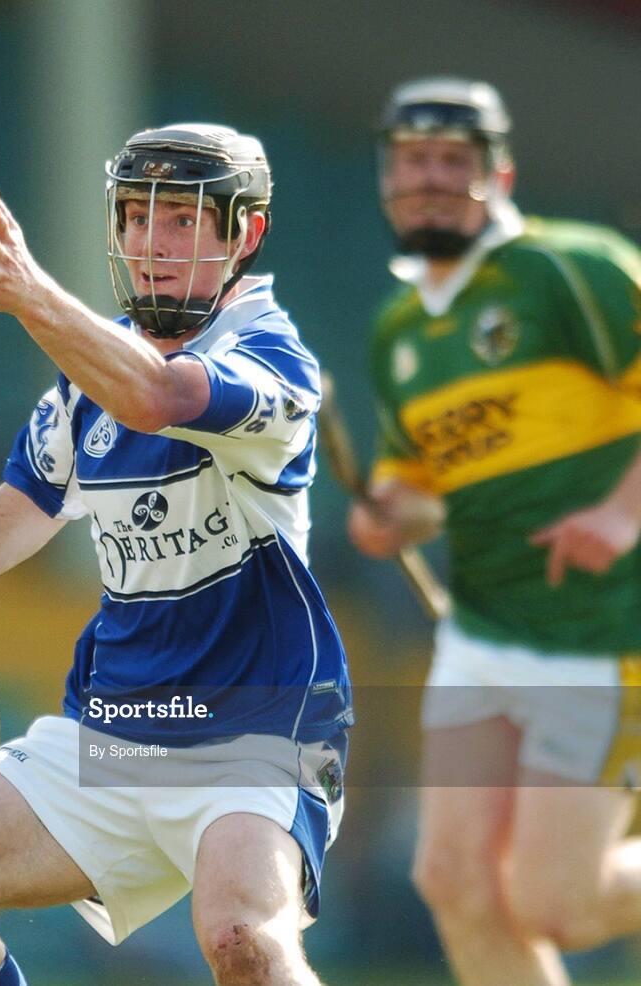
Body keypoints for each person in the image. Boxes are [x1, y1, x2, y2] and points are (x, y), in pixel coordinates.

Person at [0, 123, 352, 986]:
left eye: (183, 219)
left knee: (247, 943)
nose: (149, 244)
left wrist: (39, 298)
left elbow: (157, 397)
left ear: (245, 234)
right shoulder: (91, 373)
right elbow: (33, 493)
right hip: (115, 734)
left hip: (258, 734)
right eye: (132, 216)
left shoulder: (272, 361)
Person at [349, 76, 641, 986]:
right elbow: (425, 491)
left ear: (499, 173)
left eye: (452, 160)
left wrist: (623, 511)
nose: (429, 179)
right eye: (410, 161)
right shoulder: (396, 328)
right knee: (453, 879)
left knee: (557, 904)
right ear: (387, 179)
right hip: (483, 636)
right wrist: (390, 518)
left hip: (602, 630)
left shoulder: (573, 269)